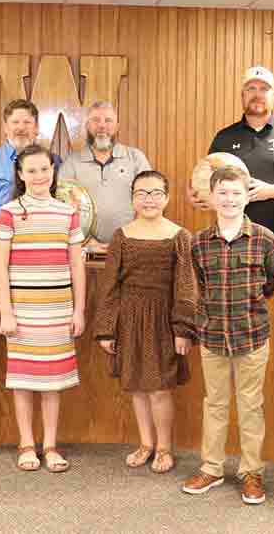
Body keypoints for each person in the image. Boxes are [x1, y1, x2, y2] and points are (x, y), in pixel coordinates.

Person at [182, 166, 274, 505]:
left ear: (246, 197)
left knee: (251, 405)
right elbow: (200, 286)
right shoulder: (198, 244)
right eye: (222, 192)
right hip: (212, 337)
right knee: (215, 404)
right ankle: (211, 468)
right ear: (212, 198)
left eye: (236, 193)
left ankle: (251, 472)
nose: (229, 199)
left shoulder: (265, 240)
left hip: (252, 336)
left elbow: (272, 283)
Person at [94, 170, 197, 474]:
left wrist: (183, 328)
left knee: (160, 388)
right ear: (132, 199)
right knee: (137, 386)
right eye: (141, 193)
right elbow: (110, 285)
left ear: (166, 198)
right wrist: (106, 328)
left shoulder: (180, 236)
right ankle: (145, 444)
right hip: (130, 319)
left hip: (164, 320)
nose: (148, 199)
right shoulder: (122, 236)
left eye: (155, 193)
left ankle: (164, 447)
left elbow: (187, 286)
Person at [0, 144, 85, 473]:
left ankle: (50, 445)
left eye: (44, 169)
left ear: (53, 171)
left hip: (58, 311)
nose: (39, 176)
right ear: (20, 174)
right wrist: (6, 311)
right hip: (22, 311)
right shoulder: (8, 213)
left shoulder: (67, 213)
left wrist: (79, 310)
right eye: (31, 171)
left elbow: (77, 266)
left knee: (53, 381)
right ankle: (27, 444)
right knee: (24, 379)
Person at [190, 66, 274, 270]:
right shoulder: (224, 138)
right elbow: (206, 181)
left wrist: (270, 191)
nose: (257, 94)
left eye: (264, 89)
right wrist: (198, 194)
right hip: (230, 242)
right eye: (251, 88)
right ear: (242, 95)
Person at [58, 101, 152, 253]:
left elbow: (150, 200)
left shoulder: (135, 158)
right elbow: (62, 206)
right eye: (95, 120)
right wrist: (88, 241)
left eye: (108, 120)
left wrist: (130, 238)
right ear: (87, 126)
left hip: (131, 248)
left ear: (117, 126)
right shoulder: (71, 162)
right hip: (86, 250)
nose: (102, 126)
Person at [0, 99, 61, 240]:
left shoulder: (53, 162)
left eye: (27, 122)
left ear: (36, 128)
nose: (21, 128)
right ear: (5, 127)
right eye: (15, 122)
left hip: (39, 244)